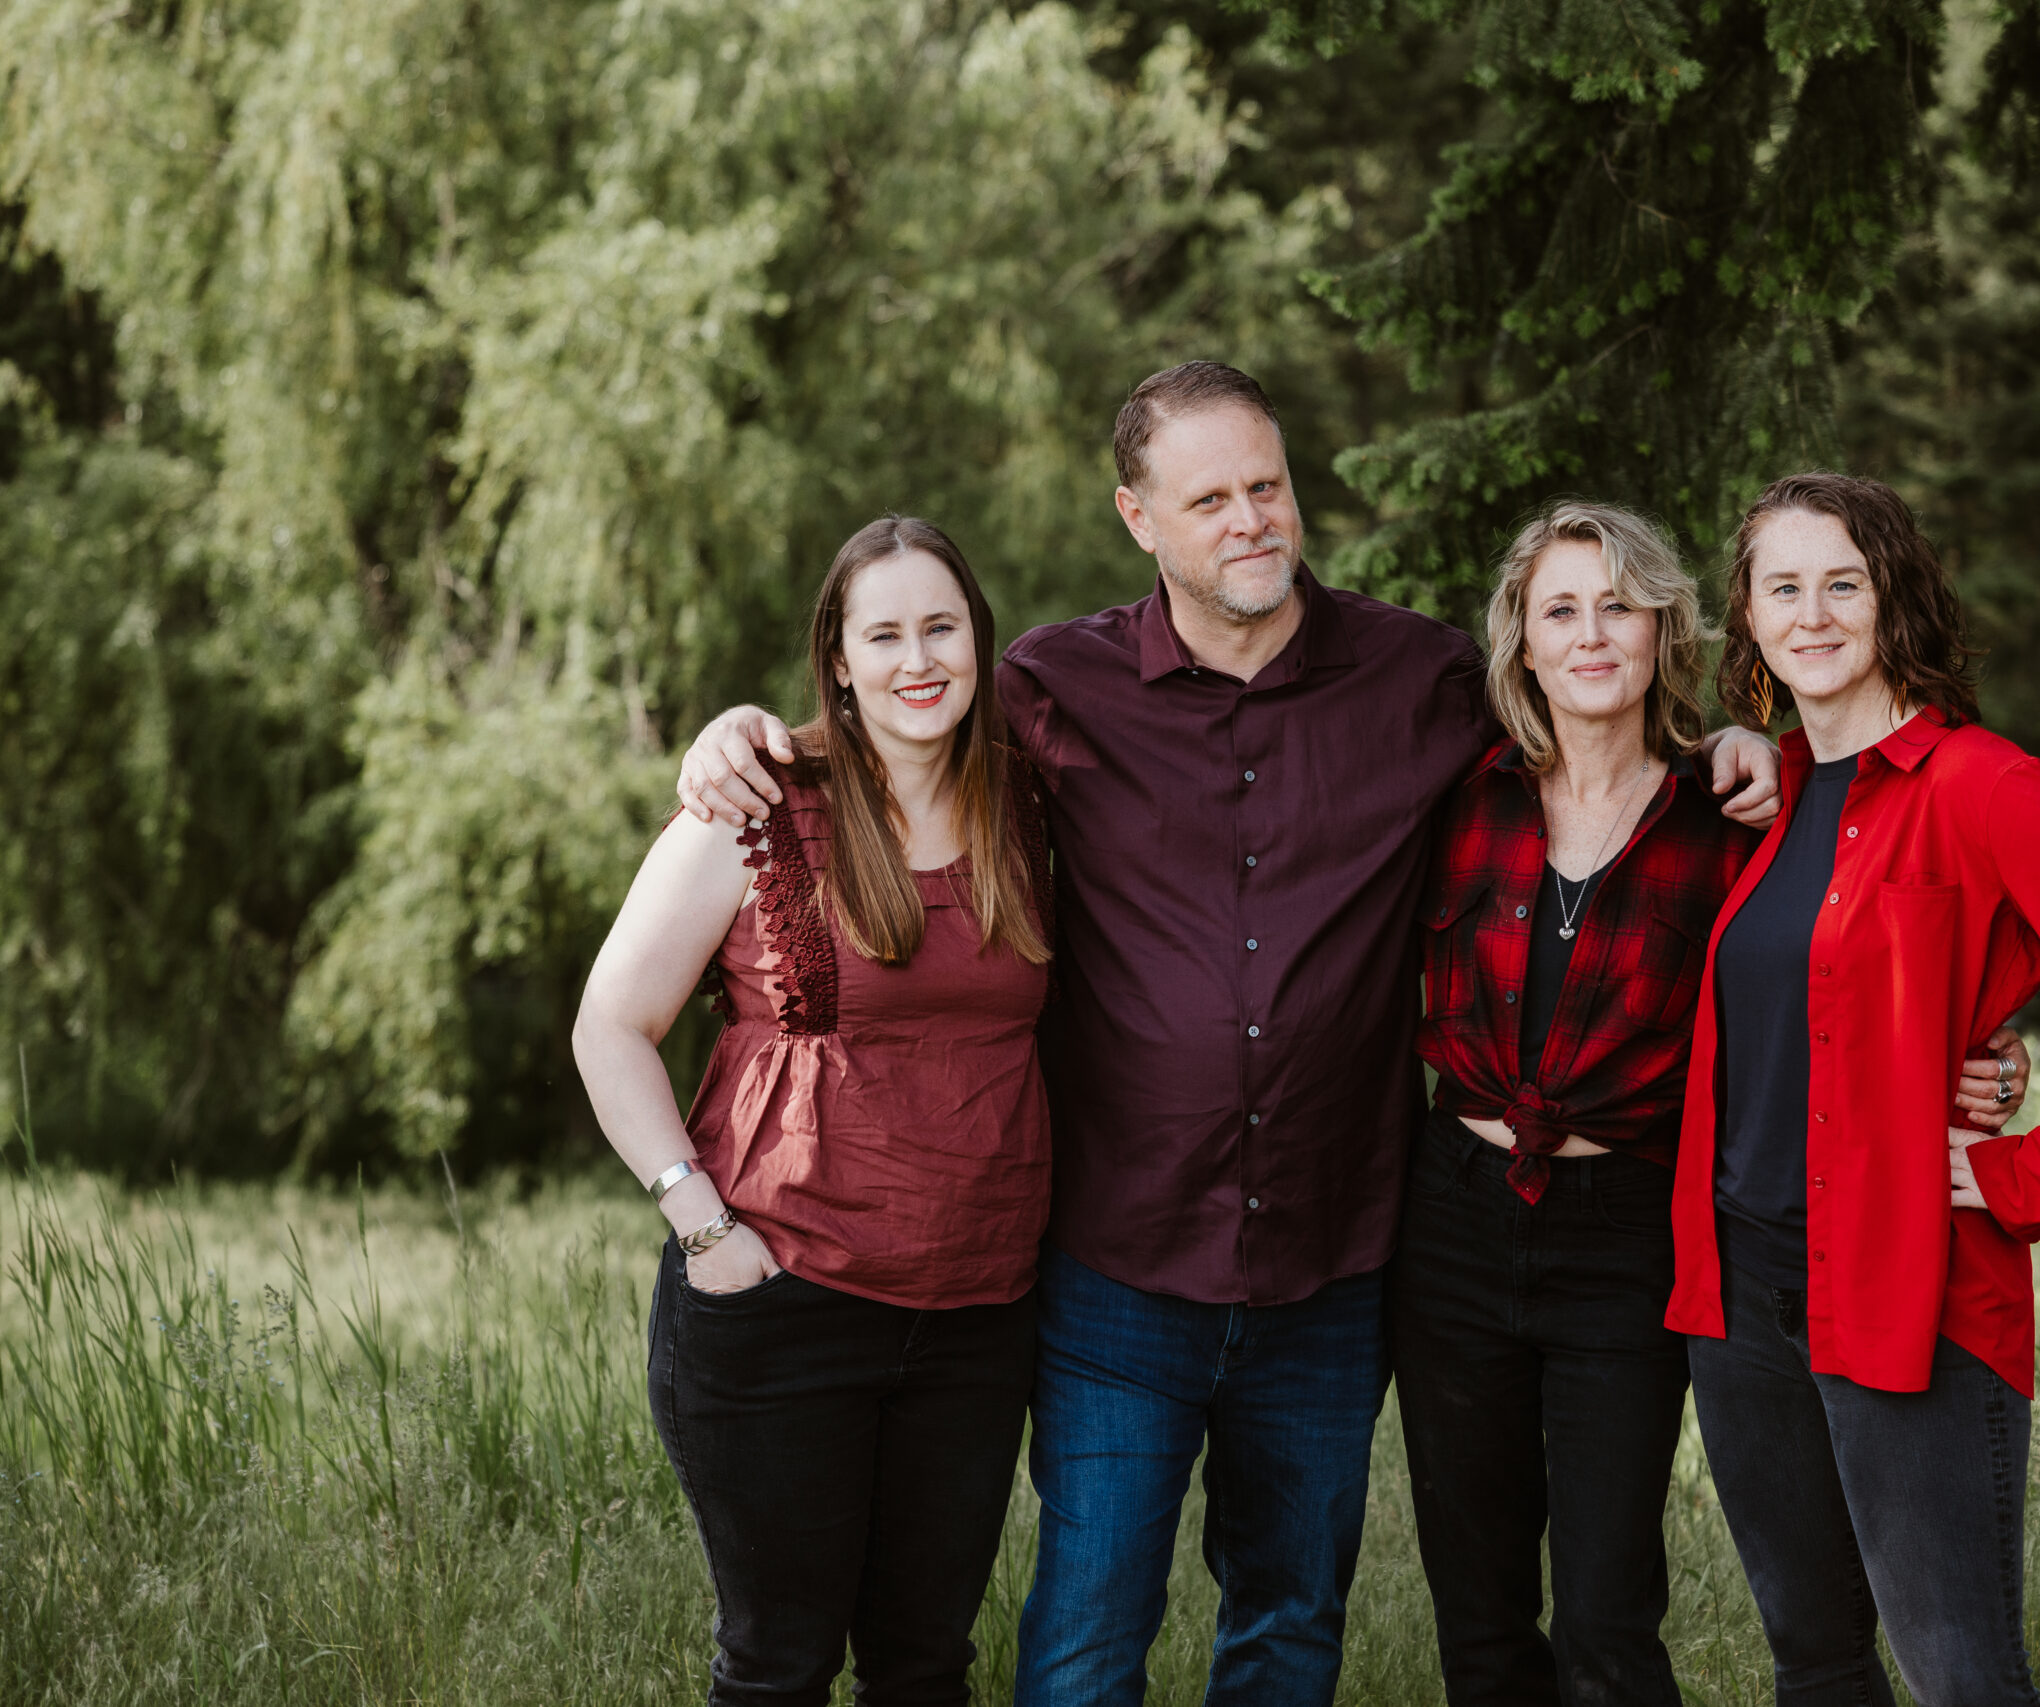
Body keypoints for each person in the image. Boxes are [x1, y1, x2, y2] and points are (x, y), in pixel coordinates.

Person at [673, 363, 1785, 1707]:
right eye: (1210, 497)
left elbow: (1590, 721)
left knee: (1286, 1625)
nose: (1251, 517)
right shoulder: (1049, 688)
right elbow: (907, 731)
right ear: (1139, 515)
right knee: (1083, 1639)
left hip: (1333, 1263)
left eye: (1268, 485)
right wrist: (748, 736)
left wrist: (1738, 741)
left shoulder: (1420, 677)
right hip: (1117, 1264)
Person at [1396, 499, 2032, 1707]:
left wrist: (1979, 1051)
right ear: (1519, 644)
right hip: (1456, 1218)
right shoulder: (1459, 799)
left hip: (1629, 1223)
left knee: (1605, 1607)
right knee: (1475, 1604)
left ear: (1664, 634)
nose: (1591, 637)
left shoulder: (1741, 812)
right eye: (1559, 612)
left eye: (1618, 609)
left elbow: (1839, 973)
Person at [1670, 472, 2040, 1707]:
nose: (1812, 614)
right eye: (1782, 587)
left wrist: (2028, 1167)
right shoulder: (1759, 793)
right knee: (1813, 1665)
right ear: (1747, 618)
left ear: (1892, 598)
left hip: (1909, 1289)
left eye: (1842, 584)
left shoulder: (1980, 784)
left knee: (1961, 1678)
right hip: (1744, 1301)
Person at [573, 515, 1055, 1707]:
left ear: (980, 642)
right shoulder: (751, 806)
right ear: (836, 660)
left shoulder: (1030, 806)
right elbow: (608, 1028)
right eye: (881, 633)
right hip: (783, 1296)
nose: (916, 658)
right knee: (781, 1665)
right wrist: (703, 1230)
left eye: (940, 626)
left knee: (925, 1665)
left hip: (978, 1313)